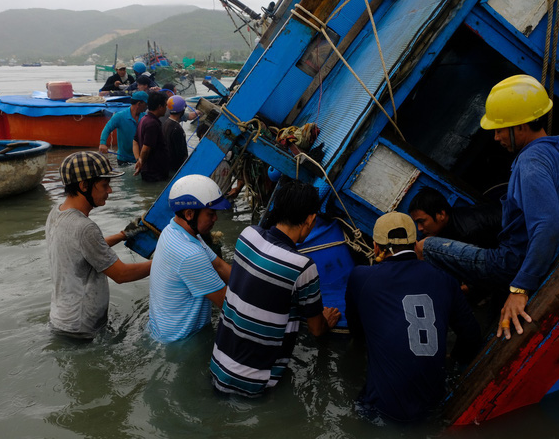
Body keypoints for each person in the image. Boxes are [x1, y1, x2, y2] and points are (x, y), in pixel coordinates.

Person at [417, 75, 559, 339]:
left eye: (499, 129)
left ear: (521, 126)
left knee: (425, 245)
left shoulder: (529, 164)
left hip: (509, 263)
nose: (496, 137)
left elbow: (548, 225)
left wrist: (520, 288)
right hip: (523, 258)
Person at [346, 212, 481, 422]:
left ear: (375, 247)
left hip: (383, 409)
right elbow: (472, 337)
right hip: (433, 404)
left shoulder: (361, 278)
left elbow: (357, 331)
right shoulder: (445, 279)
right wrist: (452, 360)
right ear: (416, 244)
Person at [210, 180, 341, 397]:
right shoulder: (302, 266)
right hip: (255, 385)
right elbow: (317, 329)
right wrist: (326, 319)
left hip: (218, 368)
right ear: (310, 219)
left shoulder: (247, 235)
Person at [46, 151, 152, 340]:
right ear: (84, 185)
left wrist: (122, 235)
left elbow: (86, 250)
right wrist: (167, 259)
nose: (109, 191)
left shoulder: (56, 213)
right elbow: (122, 274)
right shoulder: (85, 228)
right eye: (104, 185)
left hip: (61, 320)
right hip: (83, 328)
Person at [147, 175, 232, 343]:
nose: (215, 219)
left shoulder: (173, 230)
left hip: (160, 329)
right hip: (182, 341)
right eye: (211, 213)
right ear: (189, 214)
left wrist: (253, 284)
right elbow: (230, 306)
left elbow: (220, 266)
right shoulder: (189, 254)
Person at [408, 186, 501, 248]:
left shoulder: (469, 231)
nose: (419, 228)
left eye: (422, 221)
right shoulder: (453, 223)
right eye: (417, 223)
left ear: (441, 215)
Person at [97, 91, 148, 165]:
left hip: (141, 158)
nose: (146, 106)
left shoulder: (145, 117)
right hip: (124, 159)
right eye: (145, 104)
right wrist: (102, 143)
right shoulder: (120, 116)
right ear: (139, 104)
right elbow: (107, 129)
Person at [134, 91, 171, 182]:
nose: (166, 108)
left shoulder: (144, 119)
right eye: (165, 106)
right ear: (159, 107)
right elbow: (146, 148)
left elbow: (135, 141)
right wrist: (141, 161)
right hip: (154, 171)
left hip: (149, 169)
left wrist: (138, 160)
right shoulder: (152, 124)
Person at [162, 95, 189, 173]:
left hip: (168, 166)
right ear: (182, 110)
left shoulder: (166, 123)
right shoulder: (177, 128)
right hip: (176, 169)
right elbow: (181, 153)